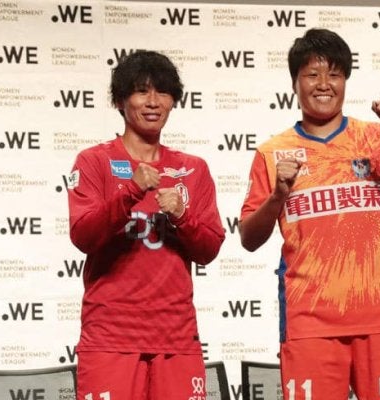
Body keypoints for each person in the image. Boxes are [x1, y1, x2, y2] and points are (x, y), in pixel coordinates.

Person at [240, 28, 380, 400]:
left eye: (334, 74)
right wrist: (278, 196)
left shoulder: (379, 138)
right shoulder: (272, 152)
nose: (323, 84)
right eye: (311, 74)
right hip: (309, 324)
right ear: (294, 83)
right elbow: (249, 239)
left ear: (345, 81)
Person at [67, 50, 225, 400]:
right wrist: (131, 191)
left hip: (177, 339)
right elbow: (83, 236)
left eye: (163, 92)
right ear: (120, 101)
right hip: (110, 338)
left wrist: (182, 216)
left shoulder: (193, 168)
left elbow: (209, 249)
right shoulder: (94, 161)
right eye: (141, 91)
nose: (153, 102)